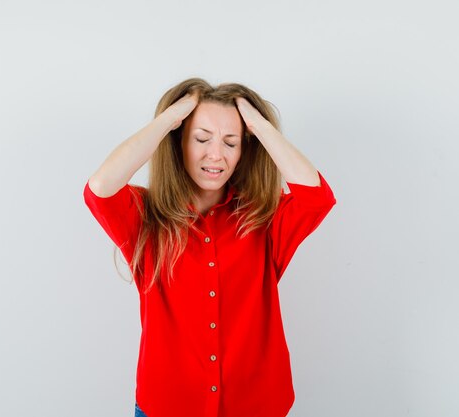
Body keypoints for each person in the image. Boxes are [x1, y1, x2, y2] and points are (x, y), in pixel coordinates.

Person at [83, 77, 336, 417]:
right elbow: (100, 187)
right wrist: (174, 115)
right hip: (167, 406)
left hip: (257, 406)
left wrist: (257, 123)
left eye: (231, 143)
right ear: (178, 142)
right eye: (201, 138)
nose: (216, 154)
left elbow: (316, 197)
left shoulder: (263, 217)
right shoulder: (146, 217)